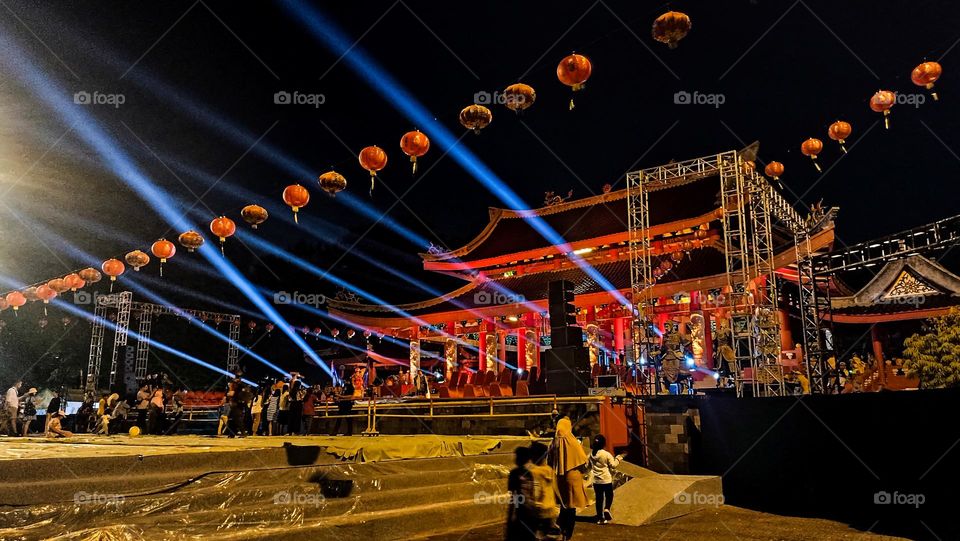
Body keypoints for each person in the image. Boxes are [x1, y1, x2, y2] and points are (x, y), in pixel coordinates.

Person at [550, 416, 588, 540]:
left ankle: (562, 530)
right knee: (571, 506)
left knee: (564, 504)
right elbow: (583, 461)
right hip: (573, 477)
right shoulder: (573, 442)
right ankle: (567, 534)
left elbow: (549, 460)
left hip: (559, 477)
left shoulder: (554, 442)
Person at [525, 442, 560, 538]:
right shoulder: (549, 470)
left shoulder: (533, 472)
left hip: (539, 511)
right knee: (547, 534)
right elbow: (555, 489)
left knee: (538, 535)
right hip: (551, 509)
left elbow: (536, 491)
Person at [587, 434, 624, 524]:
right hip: (606, 480)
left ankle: (600, 518)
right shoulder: (606, 454)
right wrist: (618, 458)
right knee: (609, 495)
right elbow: (613, 465)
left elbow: (587, 466)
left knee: (599, 499)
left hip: (596, 481)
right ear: (604, 444)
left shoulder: (591, 454)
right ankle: (607, 508)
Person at [505, 446, 534, 541]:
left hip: (520, 512)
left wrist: (509, 517)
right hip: (530, 512)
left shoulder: (514, 473)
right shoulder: (529, 474)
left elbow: (514, 497)